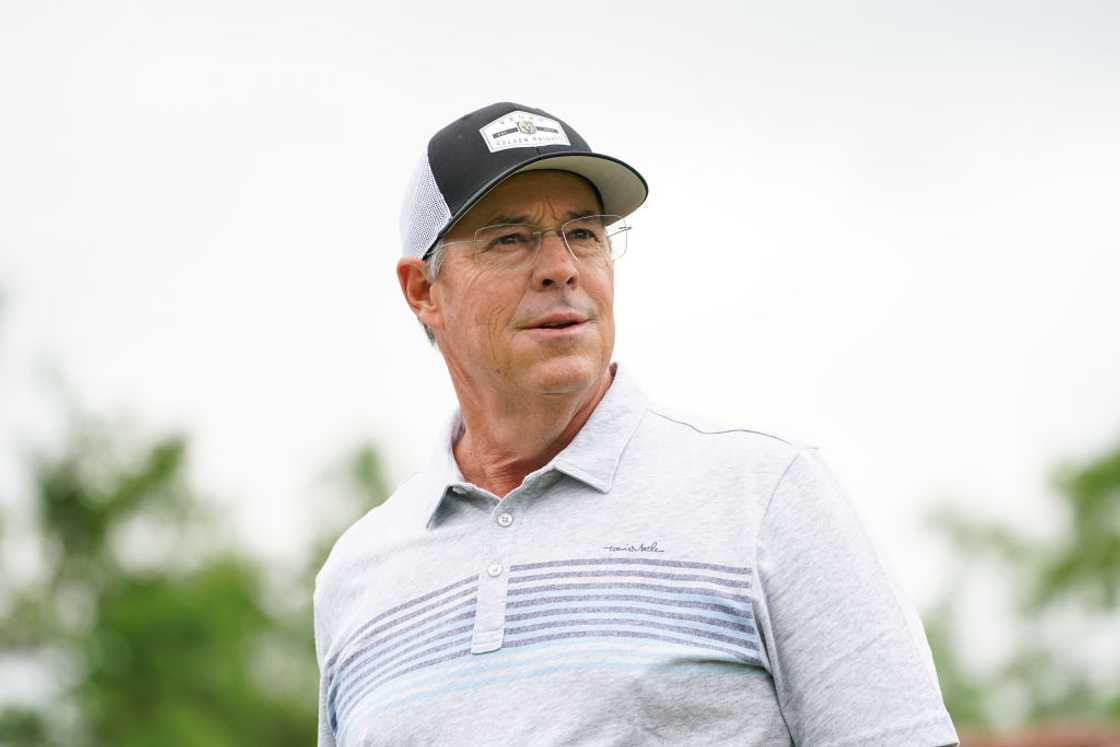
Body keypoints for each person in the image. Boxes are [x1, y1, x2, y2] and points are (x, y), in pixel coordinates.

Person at [313, 101, 960, 746]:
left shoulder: (766, 495)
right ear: (423, 291)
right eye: (509, 238)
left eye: (584, 233)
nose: (560, 266)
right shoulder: (357, 577)